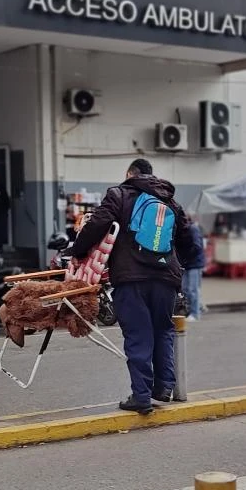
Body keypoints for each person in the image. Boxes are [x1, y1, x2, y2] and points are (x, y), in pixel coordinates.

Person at [70, 158, 197, 414]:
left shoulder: (119, 194)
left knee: (139, 335)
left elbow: (97, 224)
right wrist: (178, 264)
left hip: (132, 277)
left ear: (130, 174)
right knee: (163, 330)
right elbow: (188, 238)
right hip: (166, 278)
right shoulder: (169, 200)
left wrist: (77, 250)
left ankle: (141, 397)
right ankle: (163, 388)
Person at [182, 221, 205, 321]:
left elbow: (197, 246)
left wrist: (186, 256)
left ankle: (195, 313)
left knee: (193, 289)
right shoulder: (184, 230)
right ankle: (197, 307)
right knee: (185, 289)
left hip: (194, 263)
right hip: (188, 263)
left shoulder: (193, 229)